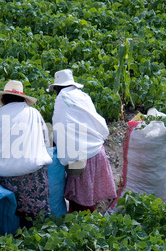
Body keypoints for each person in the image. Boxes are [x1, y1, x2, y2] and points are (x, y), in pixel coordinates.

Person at [48, 69, 117, 213]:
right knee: (87, 195)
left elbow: (60, 129)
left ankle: (85, 229)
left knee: (80, 201)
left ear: (57, 88)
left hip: (80, 158)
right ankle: (88, 225)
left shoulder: (61, 100)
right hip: (97, 150)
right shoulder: (82, 96)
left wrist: (56, 149)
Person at [0, 80, 52, 229]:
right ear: (23, 98)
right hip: (32, 173)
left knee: (11, 211)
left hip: (7, 176)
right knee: (35, 217)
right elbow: (45, 140)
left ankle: (11, 237)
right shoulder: (33, 113)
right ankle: (35, 236)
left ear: (4, 99)